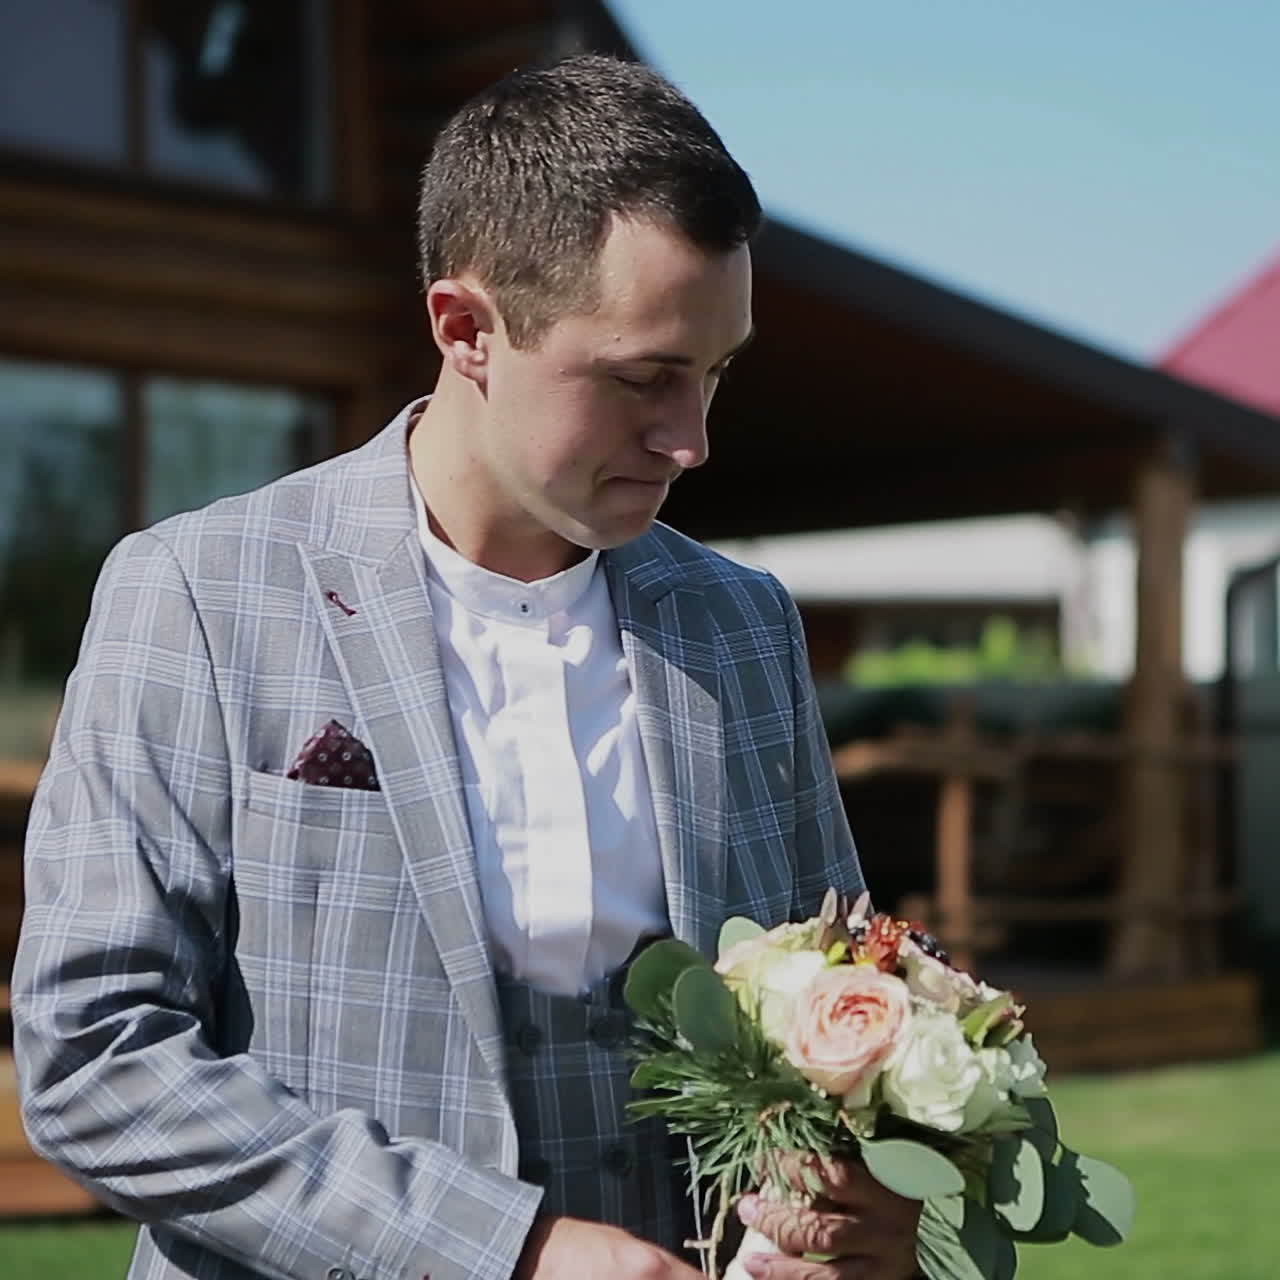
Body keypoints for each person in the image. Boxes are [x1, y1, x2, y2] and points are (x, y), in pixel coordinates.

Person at [12, 54, 919, 1280]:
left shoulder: (741, 623)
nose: (691, 438)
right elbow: (95, 1057)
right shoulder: (198, 595)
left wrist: (875, 1194)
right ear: (465, 328)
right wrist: (507, 1245)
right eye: (644, 375)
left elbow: (845, 988)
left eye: (714, 374)